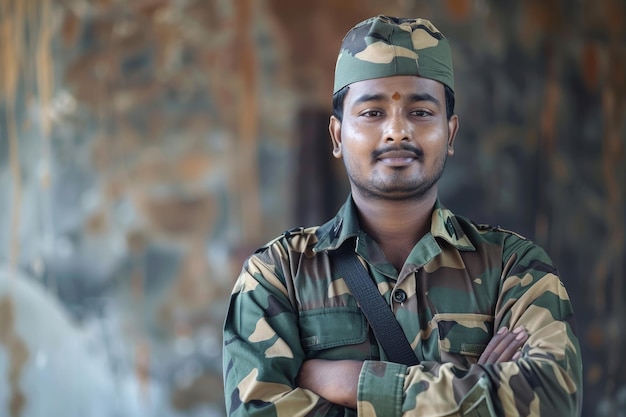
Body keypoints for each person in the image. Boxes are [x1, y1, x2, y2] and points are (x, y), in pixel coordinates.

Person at [222, 15, 583, 417]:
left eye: (421, 112)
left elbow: (553, 399)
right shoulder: (278, 274)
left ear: (451, 133)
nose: (397, 132)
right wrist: (476, 388)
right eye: (373, 113)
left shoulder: (515, 268)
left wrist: (353, 383)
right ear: (338, 136)